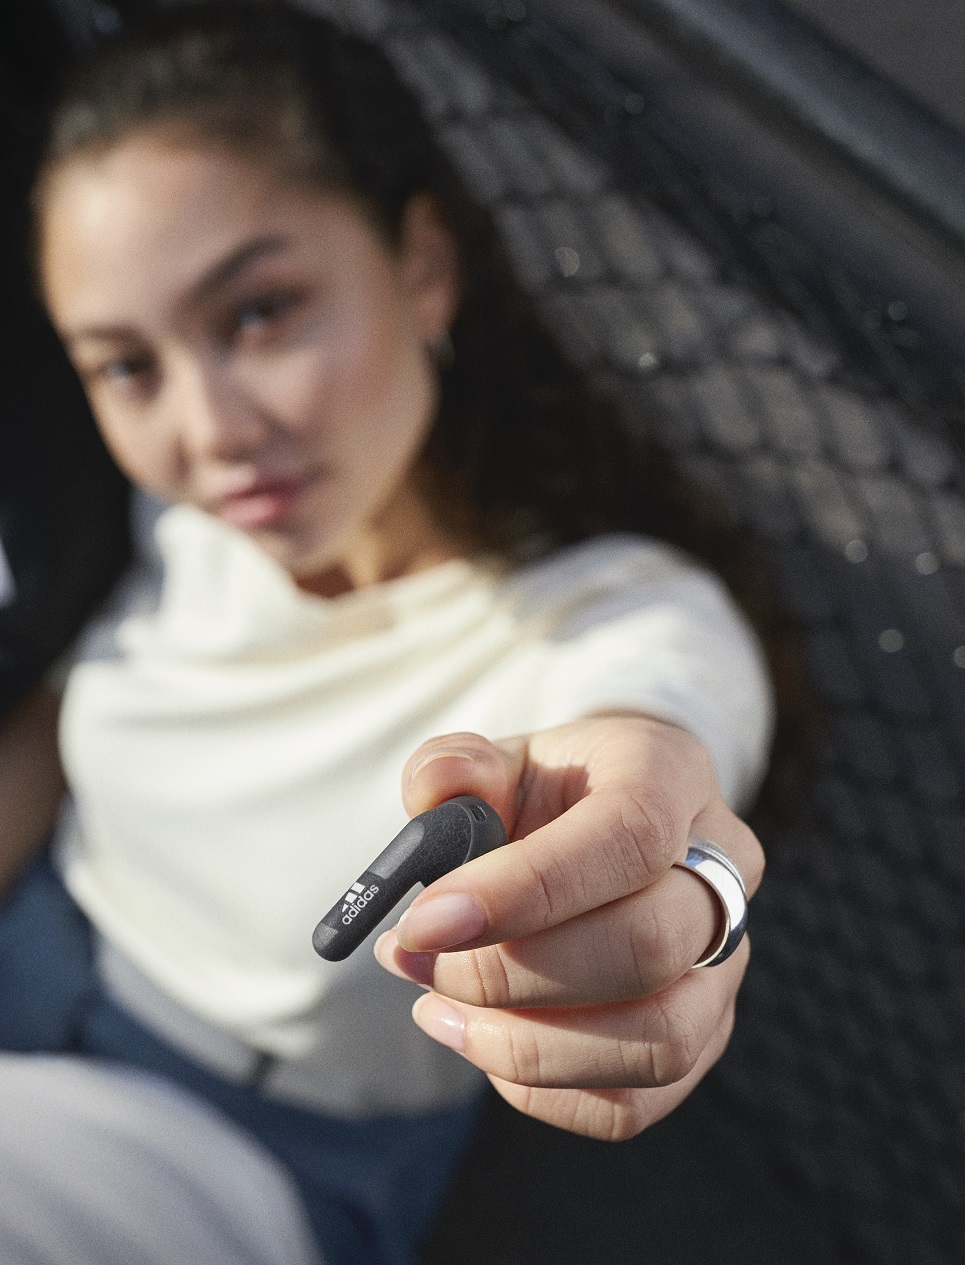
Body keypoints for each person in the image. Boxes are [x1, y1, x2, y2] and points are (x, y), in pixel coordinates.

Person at [0, 2, 772, 1261]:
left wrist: (687, 877)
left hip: (232, 1137)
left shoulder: (620, 618)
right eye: (127, 365)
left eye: (258, 313)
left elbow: (663, 733)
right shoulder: (190, 516)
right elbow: (59, 720)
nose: (209, 431)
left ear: (421, 263)